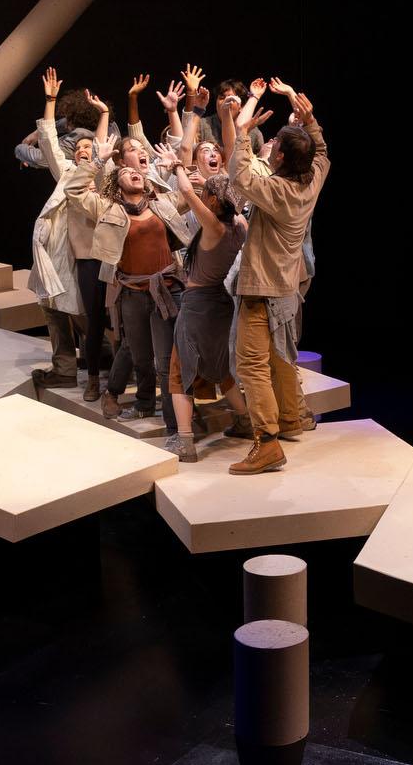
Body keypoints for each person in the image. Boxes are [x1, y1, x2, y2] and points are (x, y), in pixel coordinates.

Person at [220, 77, 329, 476]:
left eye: (277, 147)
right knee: (281, 356)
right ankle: (291, 418)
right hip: (285, 286)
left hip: (262, 289)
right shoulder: (311, 182)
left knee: (251, 364)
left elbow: (240, 174)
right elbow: (322, 152)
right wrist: (311, 120)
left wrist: (244, 133)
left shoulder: (278, 192)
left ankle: (266, 444)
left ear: (280, 157)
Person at [75, 75, 194, 424]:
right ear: (118, 181)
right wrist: (97, 162)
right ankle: (143, 404)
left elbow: (189, 195)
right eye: (127, 172)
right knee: (140, 356)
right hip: (131, 292)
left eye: (138, 171)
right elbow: (76, 193)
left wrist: (178, 167)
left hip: (166, 289)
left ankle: (174, 423)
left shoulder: (162, 203)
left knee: (164, 359)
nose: (135, 173)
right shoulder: (107, 209)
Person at [161, 87, 250, 463]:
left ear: (213, 200)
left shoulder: (212, 224)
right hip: (221, 303)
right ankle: (245, 420)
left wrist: (178, 166)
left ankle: (185, 441)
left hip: (198, 303)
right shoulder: (240, 224)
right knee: (220, 369)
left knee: (180, 371)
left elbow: (184, 188)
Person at [23, 69, 109, 390]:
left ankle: (101, 356)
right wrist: (50, 100)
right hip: (55, 249)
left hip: (81, 252)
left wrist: (103, 114)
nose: (86, 148)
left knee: (79, 309)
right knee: (53, 306)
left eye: (91, 145)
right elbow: (49, 141)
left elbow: (102, 148)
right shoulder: (68, 172)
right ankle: (67, 367)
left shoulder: (99, 176)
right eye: (81, 146)